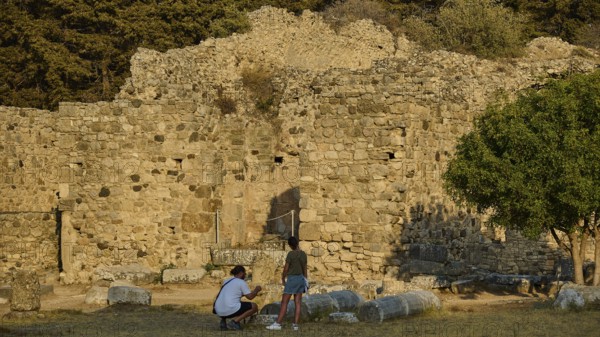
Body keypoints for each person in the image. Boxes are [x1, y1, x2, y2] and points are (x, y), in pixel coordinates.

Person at [267, 236, 308, 331]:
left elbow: (286, 268)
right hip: (301, 279)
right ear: (297, 243)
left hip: (292, 279)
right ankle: (295, 324)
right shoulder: (303, 254)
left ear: (290, 245)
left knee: (284, 302)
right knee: (298, 302)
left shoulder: (290, 254)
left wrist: (282, 277)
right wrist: (305, 280)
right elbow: (305, 269)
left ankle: (278, 323)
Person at [214, 265, 262, 330]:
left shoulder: (226, 281)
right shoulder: (241, 282)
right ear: (241, 273)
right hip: (229, 309)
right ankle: (235, 322)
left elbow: (230, 294)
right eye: (245, 274)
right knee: (254, 306)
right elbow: (250, 297)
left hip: (218, 310)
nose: (245, 275)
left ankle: (223, 321)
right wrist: (256, 289)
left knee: (236, 303)